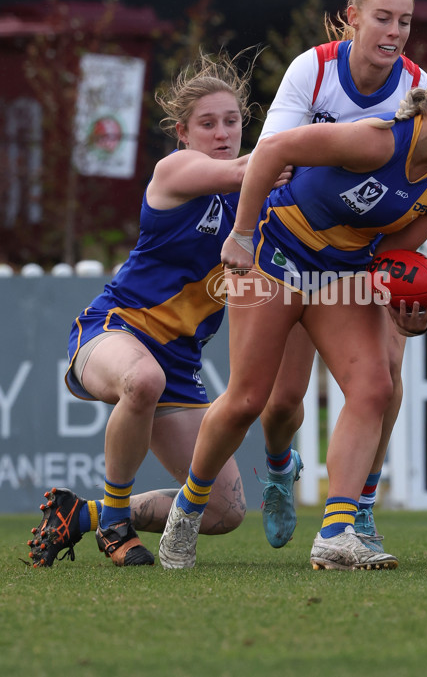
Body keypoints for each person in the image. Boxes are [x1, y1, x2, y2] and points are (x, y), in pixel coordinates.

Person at [158, 61, 427, 571]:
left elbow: (387, 262)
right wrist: (242, 234)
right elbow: (272, 150)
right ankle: (186, 510)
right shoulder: (376, 142)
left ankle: (336, 532)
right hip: (275, 255)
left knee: (375, 388)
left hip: (339, 274)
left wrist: (404, 312)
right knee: (249, 401)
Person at [252, 0, 427, 551]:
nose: (396, 30)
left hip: (375, 246)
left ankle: (357, 510)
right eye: (383, 17)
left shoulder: (419, 84)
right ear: (352, 16)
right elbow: (274, 154)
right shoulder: (315, 69)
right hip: (300, 239)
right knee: (281, 402)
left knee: (384, 379)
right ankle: (280, 468)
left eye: (405, 21)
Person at [27, 51, 281, 567]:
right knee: (142, 380)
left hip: (180, 364)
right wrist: (321, 144)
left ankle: (85, 515)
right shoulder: (176, 170)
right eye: (207, 123)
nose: (221, 132)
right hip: (114, 331)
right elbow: (243, 170)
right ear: (183, 133)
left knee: (224, 511)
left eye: (231, 121)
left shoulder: (260, 199)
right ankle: (118, 520)